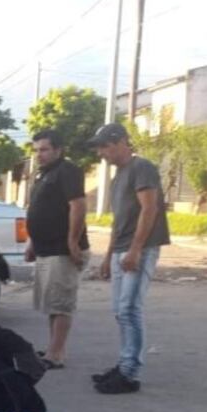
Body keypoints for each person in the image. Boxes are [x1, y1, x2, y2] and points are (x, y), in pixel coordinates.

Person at [88, 123, 170, 394]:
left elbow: (150, 209)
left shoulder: (141, 167)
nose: (101, 153)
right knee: (119, 312)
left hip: (140, 248)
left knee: (129, 310)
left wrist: (136, 249)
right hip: (121, 249)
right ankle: (124, 364)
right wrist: (108, 256)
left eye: (105, 146)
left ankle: (129, 373)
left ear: (121, 141)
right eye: (99, 148)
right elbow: (119, 221)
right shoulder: (117, 177)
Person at [25, 129, 89, 369]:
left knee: (61, 303)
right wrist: (33, 242)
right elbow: (39, 211)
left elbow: (78, 206)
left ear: (58, 150)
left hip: (62, 250)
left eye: (44, 149)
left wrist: (72, 241)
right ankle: (53, 348)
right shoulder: (44, 174)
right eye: (36, 150)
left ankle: (57, 354)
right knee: (52, 303)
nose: (39, 154)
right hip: (45, 249)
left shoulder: (67, 171)